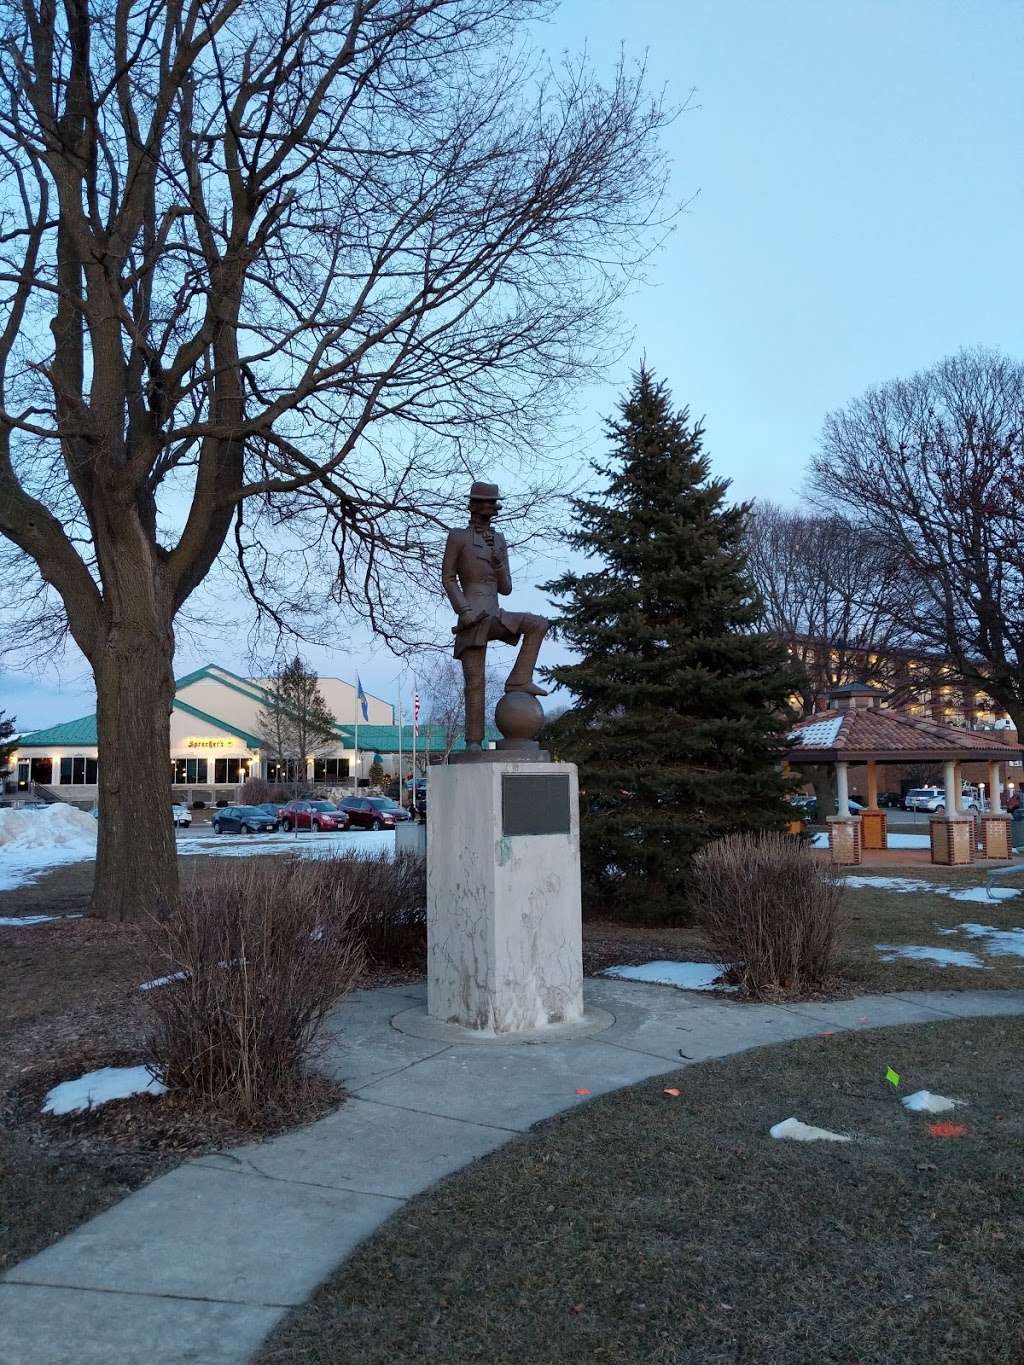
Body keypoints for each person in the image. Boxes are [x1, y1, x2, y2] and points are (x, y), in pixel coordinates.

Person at [441, 481, 550, 750]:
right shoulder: (458, 537)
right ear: (474, 506)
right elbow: (448, 578)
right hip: (472, 617)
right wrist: (463, 610)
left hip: (495, 614)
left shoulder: (499, 540)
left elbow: (506, 588)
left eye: (493, 503)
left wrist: (499, 561)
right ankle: (473, 742)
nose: (490, 508)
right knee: (475, 683)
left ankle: (519, 679)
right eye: (486, 503)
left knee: (538, 624)